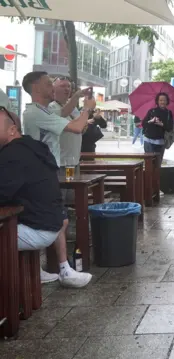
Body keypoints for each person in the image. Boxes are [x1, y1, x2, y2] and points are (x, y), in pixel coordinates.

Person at [21, 71, 95, 286]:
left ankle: (43, 269)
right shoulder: (35, 113)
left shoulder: (42, 111)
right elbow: (76, 126)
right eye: (48, 84)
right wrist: (88, 108)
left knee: (52, 219)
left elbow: (64, 112)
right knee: (57, 219)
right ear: (35, 88)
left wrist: (77, 96)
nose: (52, 88)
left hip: (46, 170)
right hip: (42, 173)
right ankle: (64, 269)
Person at [142, 92, 174, 164]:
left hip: (160, 142)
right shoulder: (151, 111)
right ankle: (148, 176)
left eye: (164, 100)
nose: (162, 102)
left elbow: (169, 128)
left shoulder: (169, 113)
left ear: (167, 101)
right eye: (160, 100)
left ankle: (155, 175)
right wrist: (151, 121)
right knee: (148, 163)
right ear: (157, 101)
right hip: (148, 140)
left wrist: (162, 124)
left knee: (157, 164)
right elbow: (144, 124)